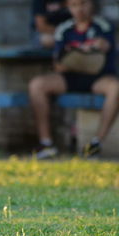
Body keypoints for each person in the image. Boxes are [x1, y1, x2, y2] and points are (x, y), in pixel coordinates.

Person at [28, 0, 119, 159]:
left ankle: (95, 144)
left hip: (97, 77)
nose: (79, 9)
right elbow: (58, 65)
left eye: (83, 3)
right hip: (70, 77)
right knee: (37, 85)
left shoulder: (103, 26)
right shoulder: (64, 29)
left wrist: (92, 48)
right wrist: (75, 58)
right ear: (68, 7)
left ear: (91, 4)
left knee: (115, 88)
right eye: (74, 5)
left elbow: (104, 47)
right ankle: (46, 144)